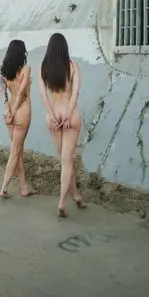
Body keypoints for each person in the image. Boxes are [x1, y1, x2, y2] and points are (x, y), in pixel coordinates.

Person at [38, 32, 86, 217]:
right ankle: (62, 202)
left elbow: (43, 94)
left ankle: (76, 195)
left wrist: (50, 114)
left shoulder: (43, 67)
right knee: (67, 161)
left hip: (53, 117)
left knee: (65, 160)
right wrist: (68, 115)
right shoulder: (72, 66)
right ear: (65, 47)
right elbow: (75, 93)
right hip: (70, 115)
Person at [0, 39, 36, 199]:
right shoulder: (26, 69)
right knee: (15, 151)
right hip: (21, 111)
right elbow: (21, 94)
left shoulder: (4, 71)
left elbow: (3, 93)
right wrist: (13, 112)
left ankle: (24, 187)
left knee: (17, 151)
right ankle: (4, 188)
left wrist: (7, 110)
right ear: (22, 53)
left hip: (9, 112)